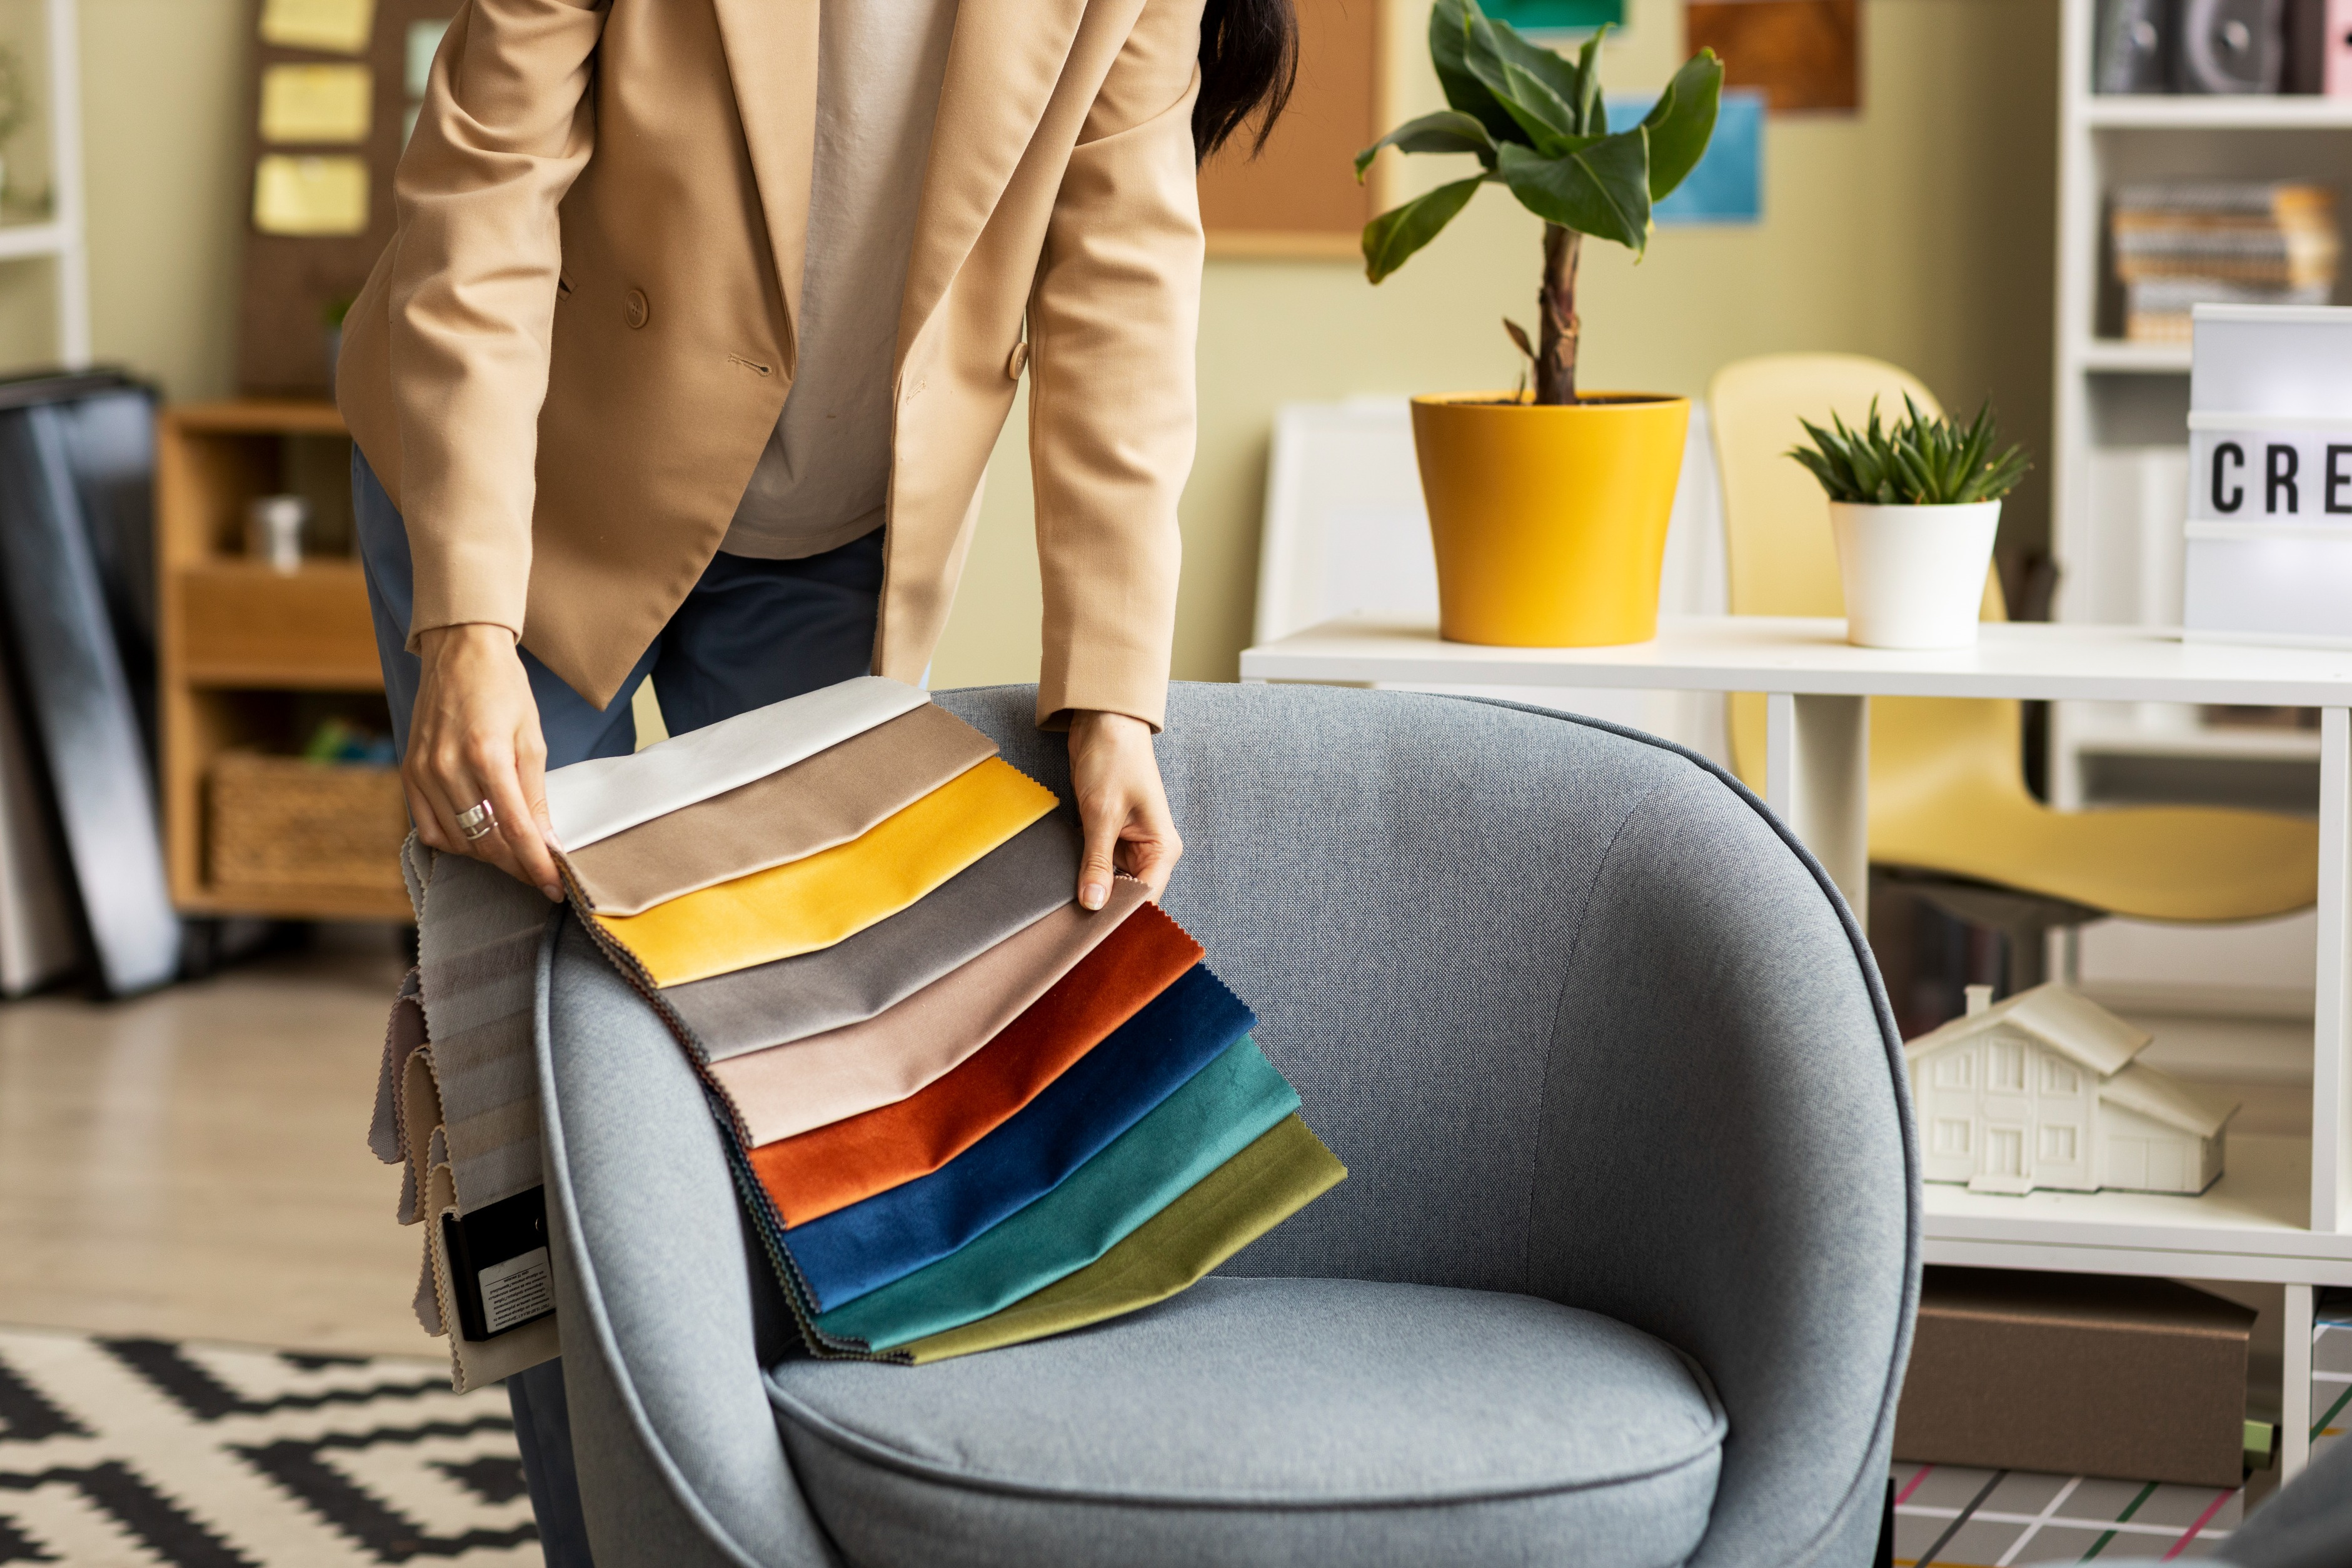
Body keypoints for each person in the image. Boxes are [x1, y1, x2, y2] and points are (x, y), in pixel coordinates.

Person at [336, 0, 1297, 1557]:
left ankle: (774, 1516)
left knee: (801, 1063)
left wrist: (1114, 695)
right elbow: (483, 189)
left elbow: (1122, 282)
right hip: (518, 485)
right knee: (529, 1062)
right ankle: (606, 1536)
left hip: (834, 534)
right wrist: (466, 626)